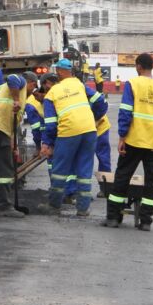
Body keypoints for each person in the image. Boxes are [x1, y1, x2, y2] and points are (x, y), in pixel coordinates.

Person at [103, 53, 153, 231]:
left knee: (122, 177)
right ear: (152, 67)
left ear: (139, 66)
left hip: (133, 140)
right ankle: (146, 221)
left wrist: (122, 137)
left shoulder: (133, 84)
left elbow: (126, 111)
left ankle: (113, 218)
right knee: (151, 182)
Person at [39, 59, 105, 216]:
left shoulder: (52, 93)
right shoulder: (79, 85)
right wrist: (94, 117)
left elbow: (50, 124)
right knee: (84, 169)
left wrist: (49, 143)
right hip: (89, 130)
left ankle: (54, 205)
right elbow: (100, 100)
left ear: (59, 72)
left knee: (60, 169)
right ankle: (83, 209)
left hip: (68, 132)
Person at [0, 71, 38, 217]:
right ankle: (4, 206)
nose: (33, 90)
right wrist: (17, 99)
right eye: (34, 86)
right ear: (31, 82)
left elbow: (11, 127)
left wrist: (14, 147)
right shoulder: (21, 84)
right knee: (4, 171)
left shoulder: (16, 96)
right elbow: (12, 77)